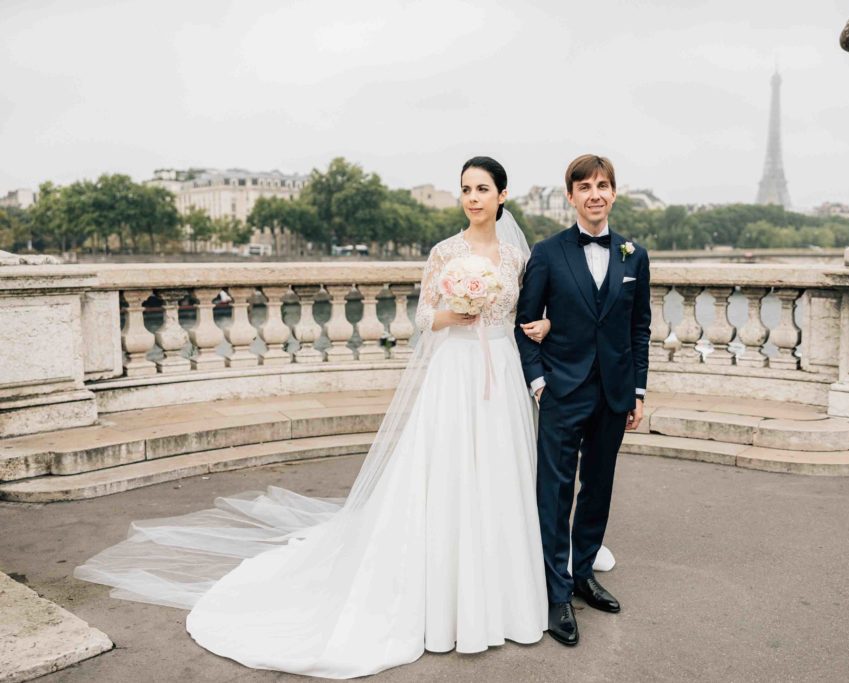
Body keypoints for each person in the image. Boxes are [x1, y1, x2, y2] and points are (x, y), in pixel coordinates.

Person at [74, 156, 612, 679]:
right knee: (446, 476)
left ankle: (509, 588)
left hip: (501, 378)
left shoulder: (521, 258)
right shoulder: (444, 252)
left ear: (502, 196)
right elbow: (427, 317)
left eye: (481, 190)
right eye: (465, 189)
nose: (472, 199)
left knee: (504, 479)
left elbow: (531, 314)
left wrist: (536, 329)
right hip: (455, 374)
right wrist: (457, 310)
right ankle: (446, 594)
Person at [515, 154, 652, 647]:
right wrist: (538, 383)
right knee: (554, 492)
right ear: (570, 196)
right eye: (585, 187)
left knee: (597, 487)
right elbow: (525, 324)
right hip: (561, 391)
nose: (595, 194)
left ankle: (582, 573)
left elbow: (639, 328)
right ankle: (555, 594)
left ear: (614, 193)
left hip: (614, 394)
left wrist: (637, 390)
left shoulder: (634, 255)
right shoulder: (548, 253)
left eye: (603, 185)